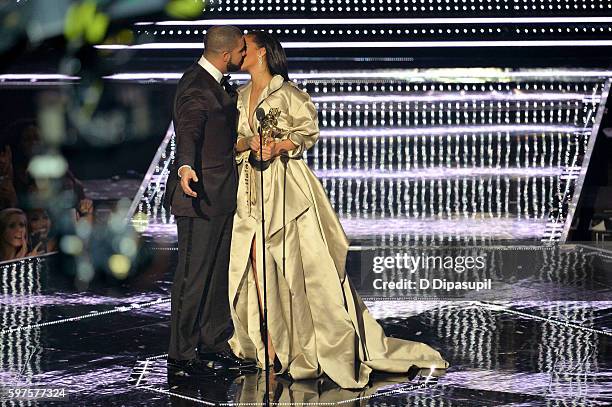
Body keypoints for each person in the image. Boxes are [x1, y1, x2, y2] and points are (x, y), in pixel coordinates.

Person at [229, 31, 449, 389]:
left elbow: (307, 133)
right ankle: (269, 346)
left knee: (296, 269)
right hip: (250, 189)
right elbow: (233, 139)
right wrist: (246, 143)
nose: (240, 52)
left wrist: (280, 145)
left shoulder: (290, 94)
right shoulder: (238, 97)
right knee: (254, 265)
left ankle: (306, 346)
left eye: (246, 47)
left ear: (263, 53)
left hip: (286, 190)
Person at [162, 26, 255, 377]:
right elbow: (189, 130)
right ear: (228, 53)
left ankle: (214, 342)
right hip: (197, 196)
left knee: (217, 275)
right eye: (241, 50)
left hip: (220, 196)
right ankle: (182, 354)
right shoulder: (196, 84)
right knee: (193, 276)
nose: (243, 56)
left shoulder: (217, 83)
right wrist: (185, 166)